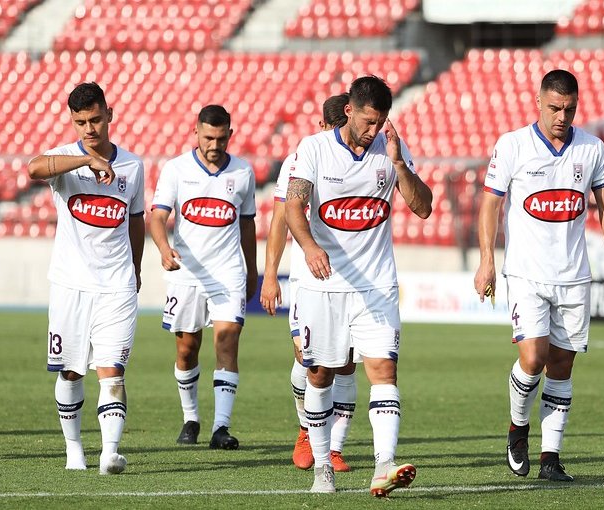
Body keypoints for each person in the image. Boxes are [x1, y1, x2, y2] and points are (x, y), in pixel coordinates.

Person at [474, 69, 604, 482]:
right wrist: (487, 259)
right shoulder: (513, 145)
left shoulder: (592, 149)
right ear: (538, 102)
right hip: (526, 273)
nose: (562, 116)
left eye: (570, 108)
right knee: (533, 357)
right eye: (555, 107)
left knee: (562, 366)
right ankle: (517, 428)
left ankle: (550, 458)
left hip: (574, 275)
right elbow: (490, 206)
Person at [285, 76, 432, 494]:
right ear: (349, 110)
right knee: (320, 375)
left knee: (384, 370)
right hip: (325, 286)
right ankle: (322, 470)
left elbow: (423, 208)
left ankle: (384, 465)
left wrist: (401, 165)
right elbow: (294, 205)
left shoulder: (390, 152)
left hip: (376, 286)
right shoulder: (314, 149)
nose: (373, 129)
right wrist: (310, 246)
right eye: (368, 120)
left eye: (380, 121)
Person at [27, 82, 145, 475]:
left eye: (95, 119)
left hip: (117, 285)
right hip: (70, 284)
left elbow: (136, 220)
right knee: (71, 371)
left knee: (112, 370)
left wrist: (137, 270)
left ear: (110, 114)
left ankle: (110, 452)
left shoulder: (132, 165)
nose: (89, 129)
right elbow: (32, 169)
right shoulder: (63, 159)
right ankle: (73, 449)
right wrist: (84, 161)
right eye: (80, 122)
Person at [259, 93, 358, 473]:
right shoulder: (302, 160)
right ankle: (307, 430)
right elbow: (281, 220)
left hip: (352, 279)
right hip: (307, 278)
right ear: (321, 128)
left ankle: (334, 447)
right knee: (309, 357)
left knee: (348, 361)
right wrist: (271, 275)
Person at [150, 105, 258, 450]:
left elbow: (247, 222)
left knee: (227, 341)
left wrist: (253, 269)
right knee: (187, 348)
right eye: (208, 137)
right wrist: (164, 249)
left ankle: (221, 428)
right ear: (195, 132)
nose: (214, 143)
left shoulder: (243, 172)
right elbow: (156, 217)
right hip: (187, 273)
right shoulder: (176, 169)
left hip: (228, 273)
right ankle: (191, 417)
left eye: (221, 137)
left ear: (230, 134)